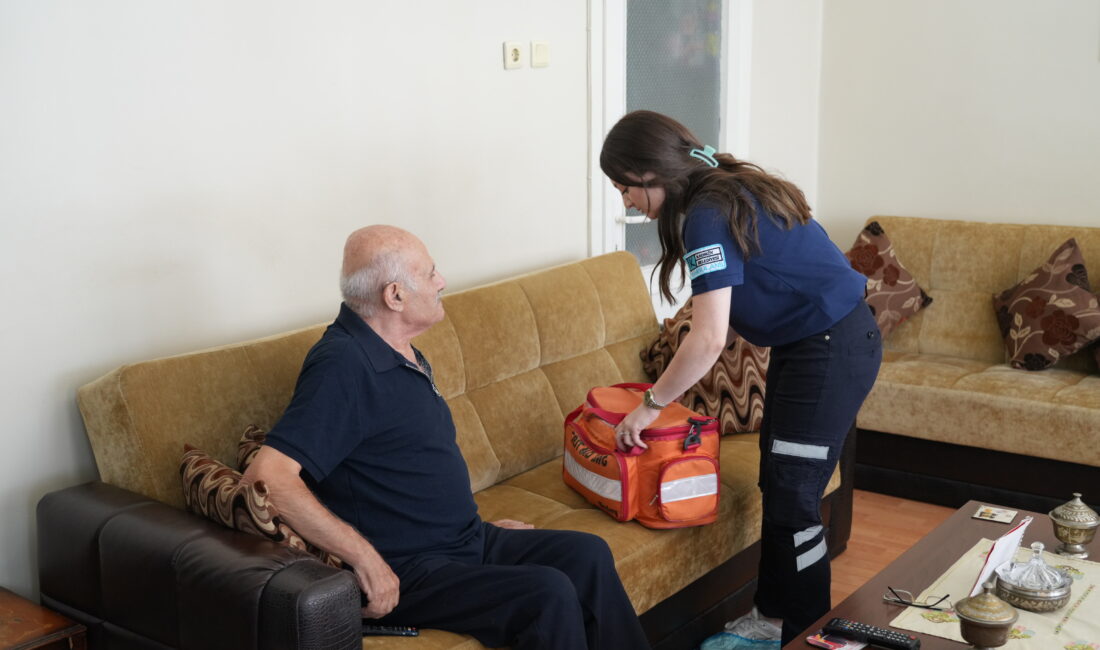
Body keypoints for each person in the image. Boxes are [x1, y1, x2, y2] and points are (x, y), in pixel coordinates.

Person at [243, 225, 650, 650]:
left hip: (463, 541)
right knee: (545, 593)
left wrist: (471, 525)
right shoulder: (343, 366)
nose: (442, 282)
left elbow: (405, 464)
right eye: (431, 272)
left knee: (588, 556)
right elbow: (268, 477)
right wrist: (366, 561)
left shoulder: (398, 347)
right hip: (409, 570)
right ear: (394, 295)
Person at [600, 111, 882, 645]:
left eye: (624, 188)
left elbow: (707, 338)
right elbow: (722, 318)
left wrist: (652, 404)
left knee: (796, 501)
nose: (626, 203)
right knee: (778, 487)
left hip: (829, 350)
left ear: (649, 172)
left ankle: (808, 635)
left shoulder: (708, 213)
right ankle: (773, 616)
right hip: (813, 347)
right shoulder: (725, 188)